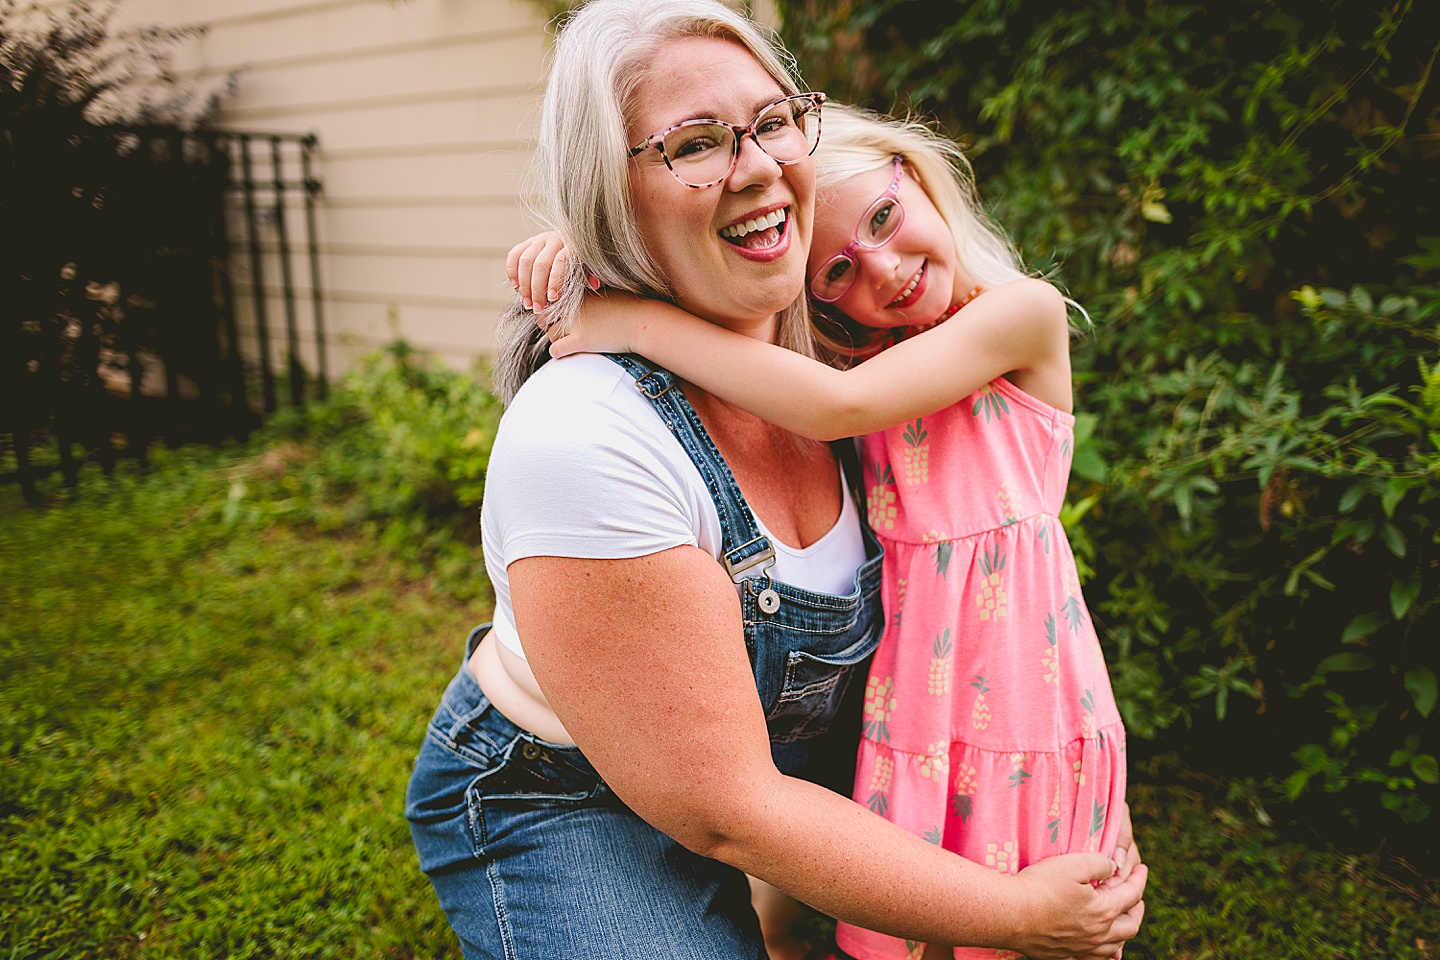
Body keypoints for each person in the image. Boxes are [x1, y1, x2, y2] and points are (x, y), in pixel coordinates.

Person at [406, 1, 1147, 958]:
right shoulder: (586, 431)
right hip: (571, 789)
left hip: (813, 758)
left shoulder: (852, 372)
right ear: (608, 193)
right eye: (694, 144)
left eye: (772, 123)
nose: (756, 165)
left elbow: (828, 372)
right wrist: (1017, 916)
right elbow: (730, 813)